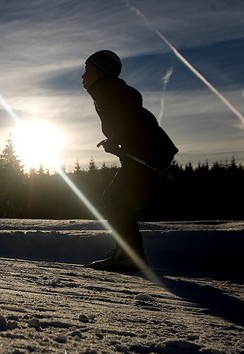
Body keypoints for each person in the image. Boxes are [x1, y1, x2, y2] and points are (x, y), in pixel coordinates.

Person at [82, 50, 178, 271]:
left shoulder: (111, 92)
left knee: (115, 200)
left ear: (102, 73)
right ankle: (126, 253)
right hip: (149, 151)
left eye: (88, 70)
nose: (83, 76)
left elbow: (132, 118)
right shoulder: (107, 93)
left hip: (150, 152)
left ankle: (128, 256)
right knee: (118, 200)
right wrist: (116, 142)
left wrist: (117, 139)